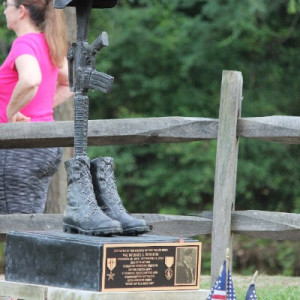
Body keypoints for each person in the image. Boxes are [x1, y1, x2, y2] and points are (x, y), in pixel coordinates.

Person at [0, 0, 73, 214]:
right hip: (46, 146)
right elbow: (71, 82)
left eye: (7, 5)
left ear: (20, 11)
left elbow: (31, 79)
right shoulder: (47, 42)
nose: (4, 10)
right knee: (30, 225)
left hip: (20, 148)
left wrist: (10, 112)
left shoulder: (23, 44)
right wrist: (37, 107)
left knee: (15, 229)